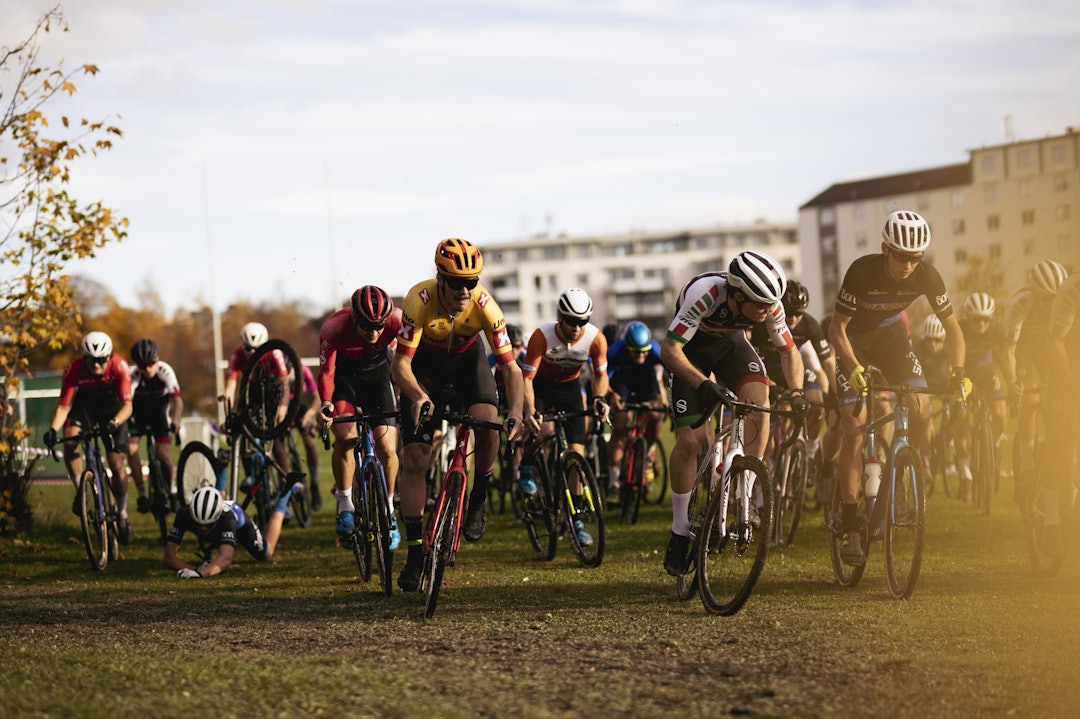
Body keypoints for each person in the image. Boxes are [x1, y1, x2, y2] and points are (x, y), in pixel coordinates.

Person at [828, 210, 968, 566]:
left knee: (921, 408)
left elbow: (953, 330)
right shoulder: (862, 271)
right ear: (885, 248)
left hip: (891, 337)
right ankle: (850, 520)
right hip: (853, 340)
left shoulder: (927, 276)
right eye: (901, 256)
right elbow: (836, 329)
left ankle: (904, 469)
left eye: (915, 258)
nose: (907, 265)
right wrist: (855, 368)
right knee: (854, 427)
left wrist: (958, 372)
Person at [660, 249, 807, 576]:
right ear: (736, 295)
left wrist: (797, 392)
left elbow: (789, 351)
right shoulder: (705, 294)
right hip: (690, 354)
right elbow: (669, 350)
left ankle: (746, 492)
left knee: (761, 405)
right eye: (759, 305)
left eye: (771, 305)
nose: (767, 311)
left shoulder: (769, 304)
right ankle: (680, 529)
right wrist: (701, 384)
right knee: (690, 442)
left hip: (731, 349)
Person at [391, 238, 524, 592]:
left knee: (489, 424)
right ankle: (416, 553)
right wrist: (418, 395)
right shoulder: (418, 301)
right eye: (457, 282)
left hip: (468, 362)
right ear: (440, 279)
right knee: (416, 458)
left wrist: (516, 411)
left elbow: (511, 369)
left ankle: (479, 494)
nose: (466, 290)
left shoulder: (486, 307)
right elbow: (400, 364)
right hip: (424, 369)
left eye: (473, 281)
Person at [519, 288, 610, 546]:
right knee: (543, 432)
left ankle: (577, 519)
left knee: (577, 457)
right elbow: (527, 379)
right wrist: (531, 411)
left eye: (582, 321)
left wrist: (599, 399)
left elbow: (600, 375)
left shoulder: (595, 339)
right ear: (560, 316)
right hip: (543, 387)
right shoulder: (541, 336)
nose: (576, 327)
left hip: (570, 388)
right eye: (571, 320)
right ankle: (526, 467)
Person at [316, 285, 403, 551]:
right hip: (345, 381)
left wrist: (405, 393)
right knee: (346, 438)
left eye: (379, 326)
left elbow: (406, 358)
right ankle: (345, 504)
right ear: (354, 318)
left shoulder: (397, 321)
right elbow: (327, 373)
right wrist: (327, 403)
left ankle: (388, 508)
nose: (375, 333)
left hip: (378, 378)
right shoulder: (334, 329)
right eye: (367, 326)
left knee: (387, 448)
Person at [42, 331, 135, 544]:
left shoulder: (120, 366)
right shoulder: (74, 369)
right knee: (70, 440)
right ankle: (81, 492)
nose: (96, 365)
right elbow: (64, 406)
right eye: (91, 360)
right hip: (86, 407)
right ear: (84, 358)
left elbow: (128, 406)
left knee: (116, 464)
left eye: (101, 360)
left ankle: (122, 513)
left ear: (109, 356)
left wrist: (114, 423)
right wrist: (53, 430)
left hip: (113, 411)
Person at [1002, 260, 1069, 511]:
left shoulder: (1066, 303)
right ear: (1035, 293)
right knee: (1030, 400)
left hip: (1050, 348)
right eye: (1047, 298)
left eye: (1057, 297)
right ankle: (1027, 466)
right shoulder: (1020, 304)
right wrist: (1012, 381)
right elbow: (1009, 349)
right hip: (1024, 350)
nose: (1054, 304)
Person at [164, 482, 298, 578]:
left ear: (216, 517)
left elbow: (226, 559)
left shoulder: (228, 517)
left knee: (266, 553)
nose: (203, 528)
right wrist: (195, 569)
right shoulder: (183, 514)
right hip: (216, 526)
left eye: (209, 525)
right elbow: (169, 557)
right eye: (198, 524)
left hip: (240, 524)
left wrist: (200, 573)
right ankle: (221, 467)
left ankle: (284, 496)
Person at [1034, 267, 1077, 559]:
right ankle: (1051, 520)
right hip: (1067, 367)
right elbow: (1055, 341)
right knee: (1060, 446)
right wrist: (1073, 383)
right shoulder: (1072, 287)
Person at [952, 293, 1010, 501]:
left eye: (986, 318)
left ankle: (993, 445)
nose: (982, 323)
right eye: (977, 319)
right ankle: (966, 477)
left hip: (988, 376)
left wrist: (1011, 382)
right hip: (965, 377)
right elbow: (950, 358)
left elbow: (1005, 359)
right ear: (968, 318)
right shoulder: (959, 329)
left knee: (1000, 413)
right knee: (962, 421)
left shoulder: (997, 331)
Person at [604, 320, 667, 499]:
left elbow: (673, 373)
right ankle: (614, 481)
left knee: (655, 416)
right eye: (635, 353)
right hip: (623, 382)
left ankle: (647, 451)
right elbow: (602, 378)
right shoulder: (616, 350)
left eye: (644, 352)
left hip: (647, 382)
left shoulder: (656, 350)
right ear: (627, 346)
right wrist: (611, 395)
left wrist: (670, 401)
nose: (640, 356)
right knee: (620, 424)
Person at [222, 321, 293, 476]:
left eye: (258, 349)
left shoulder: (274, 353)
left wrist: (282, 409)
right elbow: (230, 389)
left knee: (277, 442)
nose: (253, 353)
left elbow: (285, 385)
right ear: (242, 344)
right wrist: (228, 416)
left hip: (273, 390)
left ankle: (287, 481)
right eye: (248, 349)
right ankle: (249, 475)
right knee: (241, 424)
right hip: (251, 391)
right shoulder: (236, 355)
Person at [125, 338, 184, 513]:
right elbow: (126, 401)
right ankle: (142, 493)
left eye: (151, 363)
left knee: (162, 454)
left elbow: (177, 400)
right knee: (131, 448)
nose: (148, 368)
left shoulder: (165, 371)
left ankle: (172, 489)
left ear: (157, 359)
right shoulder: (133, 375)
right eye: (143, 365)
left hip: (160, 415)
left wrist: (176, 420)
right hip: (139, 415)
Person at [294, 363, 323, 510]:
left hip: (300, 407)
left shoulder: (303, 369)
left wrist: (310, 414)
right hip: (281, 406)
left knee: (310, 443)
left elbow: (316, 397)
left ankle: (314, 482)